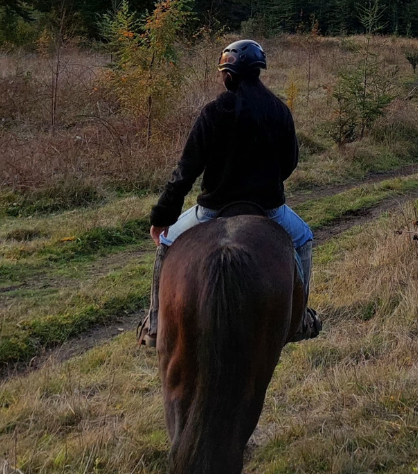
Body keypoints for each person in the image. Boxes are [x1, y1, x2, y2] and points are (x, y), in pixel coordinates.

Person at [137, 39, 320, 347]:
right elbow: (289, 163)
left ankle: (155, 323)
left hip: (212, 210)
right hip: (268, 209)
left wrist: (162, 217)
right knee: (303, 238)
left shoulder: (213, 112)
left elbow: (186, 171)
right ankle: (300, 319)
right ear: (257, 72)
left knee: (167, 243)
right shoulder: (279, 111)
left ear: (229, 75)